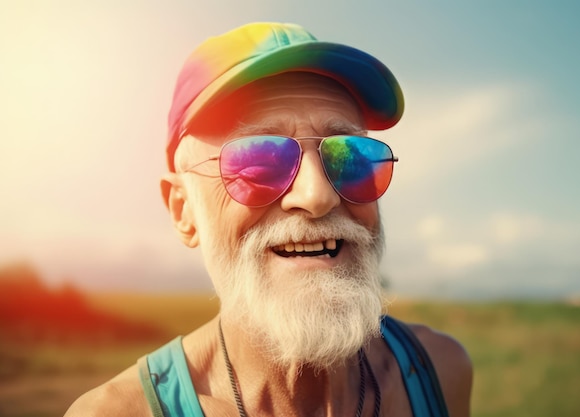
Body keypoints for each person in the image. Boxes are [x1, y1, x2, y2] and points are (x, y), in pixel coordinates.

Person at [65, 22, 472, 417]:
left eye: (350, 157)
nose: (317, 195)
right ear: (183, 210)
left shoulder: (440, 369)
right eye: (258, 162)